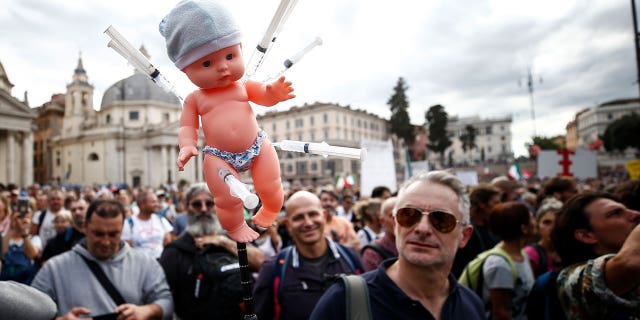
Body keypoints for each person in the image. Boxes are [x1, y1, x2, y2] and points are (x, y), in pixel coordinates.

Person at [161, 0, 294, 243]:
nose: (222, 67)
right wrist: (187, 145)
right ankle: (235, 227)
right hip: (219, 157)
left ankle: (272, 208)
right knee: (226, 199)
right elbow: (187, 126)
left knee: (271, 183)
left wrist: (273, 94)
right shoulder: (195, 99)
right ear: (186, 70)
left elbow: (263, 94)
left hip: (257, 145)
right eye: (207, 63)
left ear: (241, 48)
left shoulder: (243, 86)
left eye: (230, 56)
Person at [310, 170, 484, 320]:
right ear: (394, 224)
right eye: (408, 215)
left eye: (441, 219)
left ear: (464, 236)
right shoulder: (342, 301)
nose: (422, 229)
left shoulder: (471, 306)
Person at [31, 199, 173, 320]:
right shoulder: (55, 268)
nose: (106, 242)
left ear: (122, 229)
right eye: (98, 234)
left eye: (113, 234)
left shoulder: (145, 263)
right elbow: (31, 311)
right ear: (85, 227)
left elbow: (166, 302)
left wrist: (146, 311)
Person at [253, 190, 364, 320]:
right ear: (288, 225)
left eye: (313, 214)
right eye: (298, 218)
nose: (308, 223)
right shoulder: (274, 269)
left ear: (324, 216)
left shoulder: (351, 257)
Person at [159, 184, 265, 319]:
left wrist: (223, 241)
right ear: (187, 209)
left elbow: (261, 262)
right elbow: (163, 297)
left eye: (209, 203)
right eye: (197, 204)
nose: (204, 209)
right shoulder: (175, 251)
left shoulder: (234, 238)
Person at [550, 192, 640, 318]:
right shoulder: (571, 278)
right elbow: (629, 264)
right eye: (615, 213)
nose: (636, 214)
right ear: (586, 235)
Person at [480, 201, 536, 320]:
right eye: (531, 218)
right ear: (524, 228)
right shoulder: (499, 265)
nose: (535, 222)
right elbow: (500, 313)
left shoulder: (522, 254)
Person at [451, 183, 501, 277]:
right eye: (496, 203)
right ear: (482, 204)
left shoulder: (492, 225)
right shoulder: (465, 228)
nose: (499, 206)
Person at [121, 189, 173, 259]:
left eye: (156, 202)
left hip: (160, 262)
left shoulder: (161, 220)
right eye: (153, 202)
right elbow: (125, 249)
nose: (156, 205)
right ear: (142, 204)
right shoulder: (128, 223)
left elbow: (168, 243)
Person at [1, 207, 41, 284]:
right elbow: (2, 252)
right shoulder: (3, 237)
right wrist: (11, 226)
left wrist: (24, 232)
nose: (23, 220)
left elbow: (32, 255)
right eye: (20, 217)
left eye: (27, 217)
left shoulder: (35, 239)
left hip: (24, 286)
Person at [523, 198, 562, 277]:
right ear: (537, 227)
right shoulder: (531, 254)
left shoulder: (572, 251)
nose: (552, 228)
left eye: (558, 222)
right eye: (547, 222)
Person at [40, 199, 88, 263]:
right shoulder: (62, 237)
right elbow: (46, 260)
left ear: (88, 210)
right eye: (73, 210)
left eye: (81, 209)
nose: (77, 212)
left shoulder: (97, 233)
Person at [360, 196, 398, 271]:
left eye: (404, 214)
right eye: (392, 215)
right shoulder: (372, 253)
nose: (398, 220)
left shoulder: (414, 246)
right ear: (382, 221)